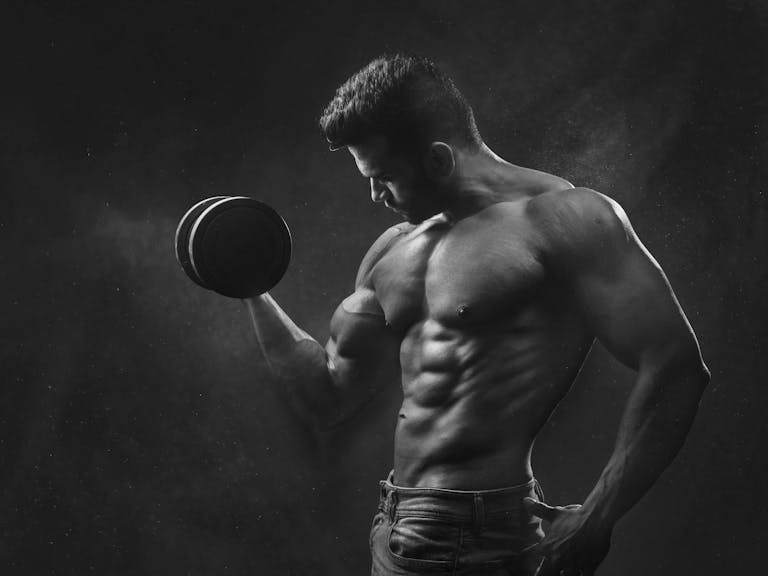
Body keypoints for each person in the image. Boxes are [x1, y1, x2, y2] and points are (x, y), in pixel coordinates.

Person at [244, 54, 710, 576]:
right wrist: (251, 289)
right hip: (394, 529)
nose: (375, 196)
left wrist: (598, 516)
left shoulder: (562, 220)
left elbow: (676, 367)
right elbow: (327, 399)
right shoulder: (393, 250)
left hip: (483, 539)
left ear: (440, 159)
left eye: (386, 177)